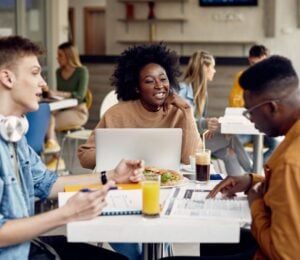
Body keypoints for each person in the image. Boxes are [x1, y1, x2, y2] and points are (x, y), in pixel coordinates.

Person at [0, 35, 144, 259]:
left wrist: (112, 175)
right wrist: (66, 214)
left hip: (26, 247)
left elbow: (47, 183)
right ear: (7, 78)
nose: (43, 84)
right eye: (35, 73)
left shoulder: (14, 136)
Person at [161, 55, 300, 259]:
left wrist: (255, 204)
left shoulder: (289, 162)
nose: (250, 120)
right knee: (212, 240)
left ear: (271, 107)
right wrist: (252, 180)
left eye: (250, 112)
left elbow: (285, 254)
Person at [78, 43, 201, 260]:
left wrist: (187, 111)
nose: (159, 85)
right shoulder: (117, 114)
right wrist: (114, 154)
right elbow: (85, 156)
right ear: (136, 87)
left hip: (165, 189)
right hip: (123, 188)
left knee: (160, 228)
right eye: (149, 81)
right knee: (119, 231)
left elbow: (190, 157)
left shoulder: (178, 113)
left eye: (163, 79)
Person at [177, 50, 252, 175]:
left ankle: (235, 189)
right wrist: (205, 124)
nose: (214, 70)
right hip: (186, 145)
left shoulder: (202, 94)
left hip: (200, 139)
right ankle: (254, 174)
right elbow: (181, 122)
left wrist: (208, 127)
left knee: (230, 154)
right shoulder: (182, 91)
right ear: (205, 68)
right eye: (212, 67)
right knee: (231, 137)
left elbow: (201, 121)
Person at [44, 42, 90, 171]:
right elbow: (63, 97)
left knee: (46, 125)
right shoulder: (59, 72)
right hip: (63, 109)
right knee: (46, 118)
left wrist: (57, 93)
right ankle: (55, 156)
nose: (57, 58)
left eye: (60, 55)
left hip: (78, 112)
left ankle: (57, 158)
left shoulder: (82, 71)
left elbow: (80, 96)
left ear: (69, 56)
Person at [229, 44, 278, 162]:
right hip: (246, 126)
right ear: (249, 61)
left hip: (265, 128)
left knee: (276, 146)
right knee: (231, 146)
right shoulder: (242, 77)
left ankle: (254, 168)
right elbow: (234, 103)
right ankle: (251, 169)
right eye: (253, 64)